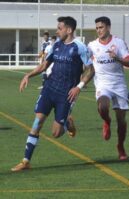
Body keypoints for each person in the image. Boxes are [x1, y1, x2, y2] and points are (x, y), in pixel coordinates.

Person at [11, 16, 94, 172]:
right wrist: (28, 75)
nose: (57, 31)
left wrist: (79, 86)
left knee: (56, 133)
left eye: (59, 28)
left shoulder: (79, 47)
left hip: (66, 95)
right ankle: (25, 161)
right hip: (49, 89)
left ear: (69, 30)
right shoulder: (56, 45)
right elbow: (44, 65)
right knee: (37, 123)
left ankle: (68, 122)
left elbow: (91, 69)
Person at [88, 16, 129, 160]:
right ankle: (107, 120)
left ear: (108, 27)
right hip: (102, 84)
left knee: (121, 120)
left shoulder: (118, 42)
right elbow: (86, 64)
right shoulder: (92, 46)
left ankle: (120, 146)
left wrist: (117, 58)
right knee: (102, 107)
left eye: (101, 27)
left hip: (119, 84)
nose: (98, 30)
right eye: (97, 28)